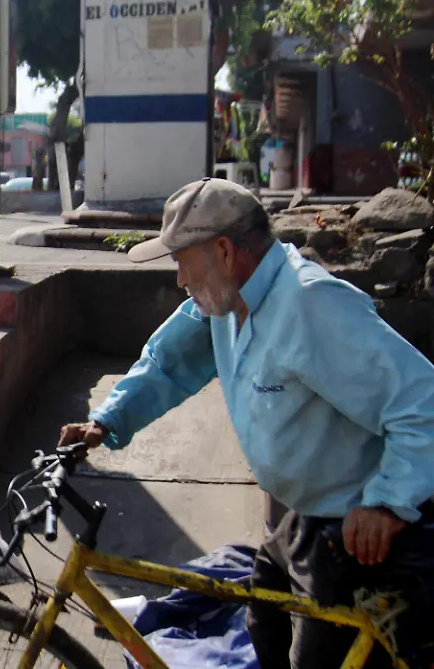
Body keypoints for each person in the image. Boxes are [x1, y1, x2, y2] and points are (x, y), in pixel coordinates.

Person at [58, 178, 434, 668]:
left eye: (180, 260)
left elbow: (422, 401)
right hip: (303, 519)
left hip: (359, 536)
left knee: (318, 658)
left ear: (223, 250)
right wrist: (108, 420)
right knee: (262, 623)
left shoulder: (310, 304)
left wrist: (386, 502)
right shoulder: (223, 301)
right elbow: (168, 362)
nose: (179, 278)